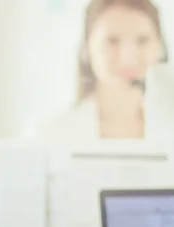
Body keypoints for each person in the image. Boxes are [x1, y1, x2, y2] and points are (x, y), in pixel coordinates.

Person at [37, 0, 167, 143]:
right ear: (86, 48)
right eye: (112, 41)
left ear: (160, 47)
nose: (128, 58)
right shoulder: (52, 135)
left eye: (142, 41)